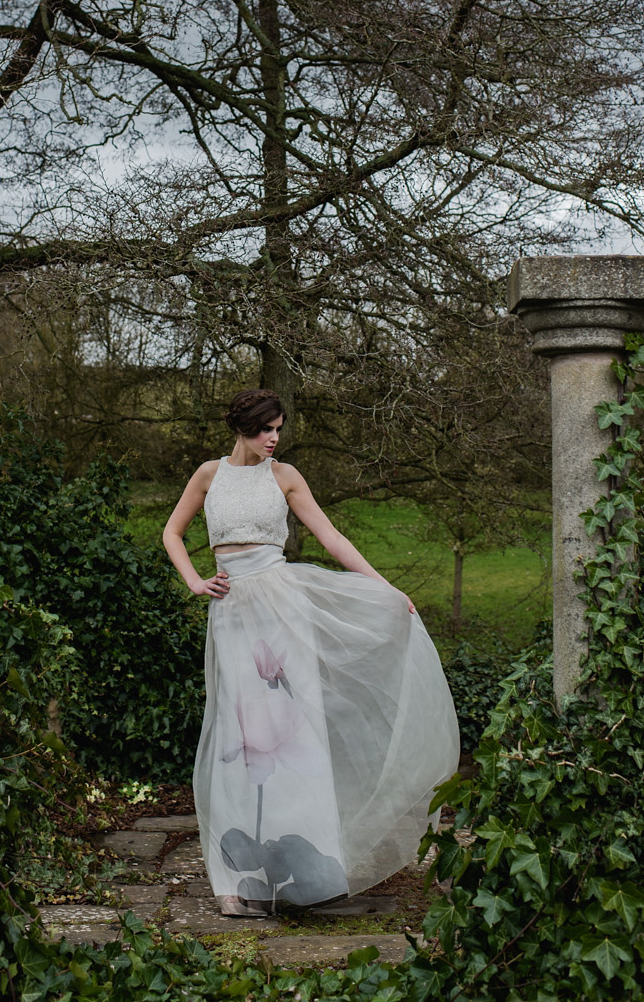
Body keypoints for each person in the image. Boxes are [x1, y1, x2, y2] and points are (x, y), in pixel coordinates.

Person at [163, 387, 459, 918]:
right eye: (264, 429)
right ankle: (232, 882)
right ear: (242, 427)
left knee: (293, 730)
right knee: (237, 734)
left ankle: (309, 872)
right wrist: (193, 583)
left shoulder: (286, 476)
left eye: (278, 429)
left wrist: (386, 588)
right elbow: (173, 532)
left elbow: (332, 537)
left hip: (282, 608)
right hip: (231, 613)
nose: (273, 439)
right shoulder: (209, 474)